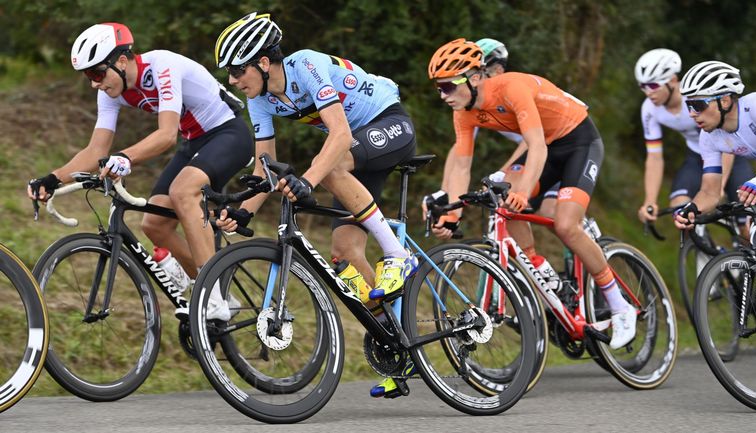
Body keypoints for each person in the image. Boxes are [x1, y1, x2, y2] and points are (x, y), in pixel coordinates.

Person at [213, 12, 417, 398]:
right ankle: (397, 342)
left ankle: (397, 254)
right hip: (358, 148)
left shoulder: (305, 64)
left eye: (237, 71)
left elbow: (338, 135)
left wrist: (307, 180)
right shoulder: (260, 100)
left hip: (388, 124)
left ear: (262, 61)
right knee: (343, 253)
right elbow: (264, 169)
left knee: (334, 166)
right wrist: (242, 209)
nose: (233, 81)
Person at [27, 22, 254, 320]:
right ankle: (220, 295)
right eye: (88, 76)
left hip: (229, 134)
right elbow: (96, 151)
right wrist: (53, 179)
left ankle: (212, 301)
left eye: (97, 73)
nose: (95, 83)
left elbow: (166, 135)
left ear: (121, 61)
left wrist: (126, 157)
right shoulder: (110, 91)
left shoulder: (162, 66)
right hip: (195, 141)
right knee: (154, 225)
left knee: (182, 191)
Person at [427, 38, 636, 350]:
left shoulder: (511, 88)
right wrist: (453, 213)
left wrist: (524, 191)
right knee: (501, 203)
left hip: (579, 141)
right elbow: (460, 166)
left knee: (566, 225)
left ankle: (620, 307)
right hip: (549, 149)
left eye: (447, 87)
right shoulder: (464, 112)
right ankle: (545, 276)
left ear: (473, 78)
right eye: (438, 88)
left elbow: (536, 145)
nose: (442, 95)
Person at [634, 49, 753, 225]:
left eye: (652, 85)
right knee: (679, 208)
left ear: (673, 80)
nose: (648, 92)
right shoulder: (649, 109)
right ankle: (701, 250)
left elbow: (726, 140)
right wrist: (650, 200)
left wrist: (719, 187)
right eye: (642, 87)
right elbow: (654, 157)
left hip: (729, 153)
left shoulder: (693, 97)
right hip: (696, 156)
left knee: (747, 223)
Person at [674, 61, 756, 228]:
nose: (691, 114)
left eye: (698, 105)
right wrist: (693, 209)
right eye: (688, 106)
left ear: (724, 101)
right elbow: (710, 192)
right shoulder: (708, 137)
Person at [476, 38, 559, 217]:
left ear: (498, 70)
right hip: (536, 155)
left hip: (554, 147)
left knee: (550, 212)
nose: (476, 79)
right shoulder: (477, 101)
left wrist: (502, 171)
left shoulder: (512, 92)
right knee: (509, 204)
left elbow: (531, 142)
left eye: (482, 72)